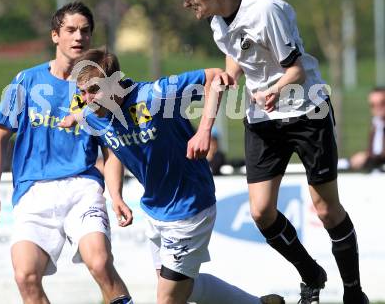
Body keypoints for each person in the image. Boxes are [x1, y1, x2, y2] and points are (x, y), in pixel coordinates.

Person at [170, 0, 368, 304]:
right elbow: (233, 67)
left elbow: (297, 69)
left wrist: (275, 89)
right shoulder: (219, 21)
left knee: (326, 209)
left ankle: (354, 292)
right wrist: (205, 126)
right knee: (261, 212)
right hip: (262, 119)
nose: (187, 3)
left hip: (306, 111)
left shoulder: (266, 10)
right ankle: (312, 274)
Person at [60, 47, 285, 304]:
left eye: (94, 90)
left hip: (189, 206)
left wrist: (204, 131)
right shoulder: (95, 112)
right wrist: (116, 196)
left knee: (168, 299)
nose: (88, 99)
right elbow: (108, 145)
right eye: (82, 92)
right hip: (156, 209)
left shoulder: (155, 95)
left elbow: (214, 77)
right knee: (184, 288)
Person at [0, 2, 133, 304]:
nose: (78, 37)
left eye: (85, 31)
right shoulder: (27, 81)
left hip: (82, 187)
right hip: (33, 191)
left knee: (100, 263)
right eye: (71, 30)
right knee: (25, 276)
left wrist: (115, 196)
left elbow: (112, 149)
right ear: (54, 36)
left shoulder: (100, 87)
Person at [350, 86, 385, 172]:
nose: (377, 108)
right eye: (372, 105)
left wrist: (367, 156)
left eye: (382, 103)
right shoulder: (376, 124)